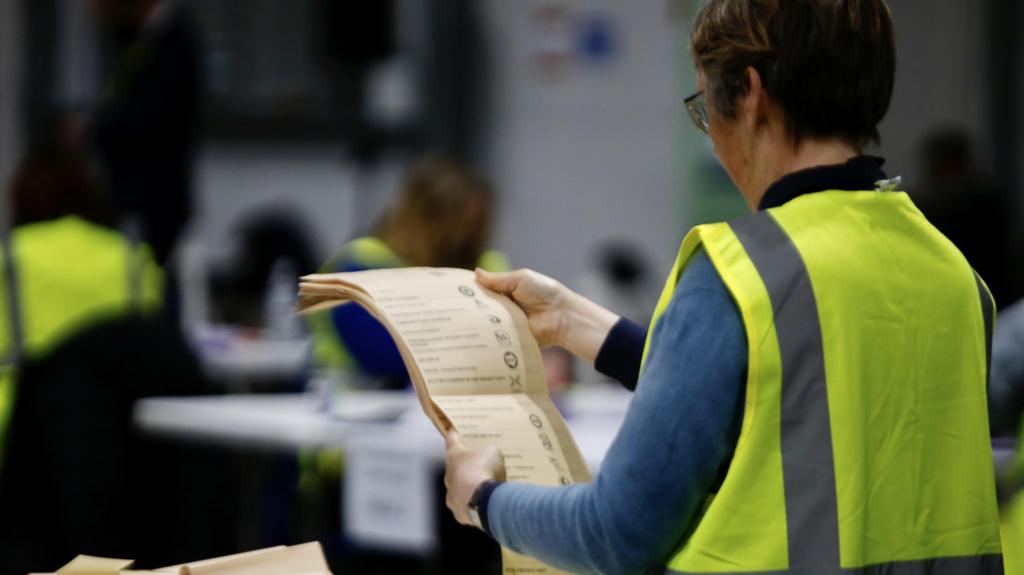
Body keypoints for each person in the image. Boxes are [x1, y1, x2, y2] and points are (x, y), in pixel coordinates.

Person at [442, 1, 1003, 573]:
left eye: (705, 107)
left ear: (752, 95)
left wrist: (484, 500)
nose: (712, 140)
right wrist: (576, 322)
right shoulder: (956, 277)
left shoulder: (743, 270)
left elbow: (613, 534)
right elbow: (779, 403)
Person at [309, 154, 509, 388]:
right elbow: (384, 355)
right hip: (354, 401)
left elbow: (517, 344)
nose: (469, 235)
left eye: (480, 222)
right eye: (461, 222)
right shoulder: (363, 263)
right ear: (425, 218)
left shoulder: (488, 265)